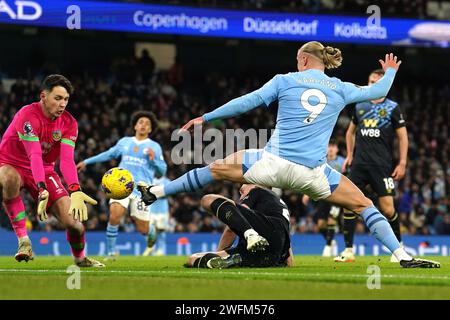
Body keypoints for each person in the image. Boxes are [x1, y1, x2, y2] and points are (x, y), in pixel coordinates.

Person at [139, 41, 439, 268]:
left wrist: (207, 117)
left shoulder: (285, 80)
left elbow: (248, 101)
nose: (297, 64)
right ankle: (402, 255)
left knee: (215, 168)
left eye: (298, 61)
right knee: (364, 204)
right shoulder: (341, 88)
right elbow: (378, 91)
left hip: (273, 164)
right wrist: (390, 72)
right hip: (315, 174)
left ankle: (156, 191)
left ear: (304, 59)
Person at [0, 74, 104, 267]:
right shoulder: (27, 115)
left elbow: (65, 160)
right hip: (12, 164)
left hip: (45, 171)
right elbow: (34, 155)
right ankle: (24, 241)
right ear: (43, 96)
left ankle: (80, 258)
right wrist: (41, 188)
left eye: (66, 99)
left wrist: (75, 189)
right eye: (57, 98)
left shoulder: (69, 123)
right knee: (8, 177)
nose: (62, 104)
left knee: (74, 224)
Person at [334, 69, 408, 263]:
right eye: (371, 81)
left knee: (388, 208)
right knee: (349, 205)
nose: (373, 84)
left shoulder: (393, 108)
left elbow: (403, 137)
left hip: (382, 166)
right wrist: (349, 155)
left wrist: (402, 163)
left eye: (377, 81)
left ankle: (399, 247)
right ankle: (348, 250)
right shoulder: (360, 105)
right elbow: (350, 132)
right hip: (359, 165)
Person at [77, 111, 167, 260]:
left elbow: (162, 171)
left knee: (142, 228)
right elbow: (108, 154)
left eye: (147, 124)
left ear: (150, 129)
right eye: (141, 122)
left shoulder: (154, 146)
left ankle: (151, 231)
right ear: (135, 126)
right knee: (115, 215)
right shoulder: (125, 142)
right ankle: (111, 252)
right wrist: (87, 162)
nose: (143, 125)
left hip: (143, 190)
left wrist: (154, 160)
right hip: (121, 186)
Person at [185, 184, 293, 269]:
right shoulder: (280, 206)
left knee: (207, 199)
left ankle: (250, 234)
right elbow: (286, 244)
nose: (241, 197)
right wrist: (288, 262)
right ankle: (228, 260)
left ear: (255, 184)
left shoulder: (256, 191)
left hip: (260, 235)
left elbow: (230, 229)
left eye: (242, 191)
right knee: (193, 259)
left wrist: (219, 251)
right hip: (271, 255)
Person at [302, 139, 344, 257]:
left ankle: (328, 245)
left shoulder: (342, 162)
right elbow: (312, 177)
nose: (331, 149)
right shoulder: (320, 160)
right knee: (320, 224)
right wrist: (306, 193)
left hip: (337, 196)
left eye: (333, 146)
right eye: (329, 146)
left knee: (332, 219)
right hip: (323, 196)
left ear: (337, 149)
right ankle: (330, 240)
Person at [142, 175, 171, 256]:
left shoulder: (166, 181)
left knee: (161, 229)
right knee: (149, 229)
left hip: (162, 210)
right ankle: (150, 247)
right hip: (151, 209)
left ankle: (160, 250)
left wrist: (154, 193)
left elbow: (169, 193)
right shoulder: (149, 180)